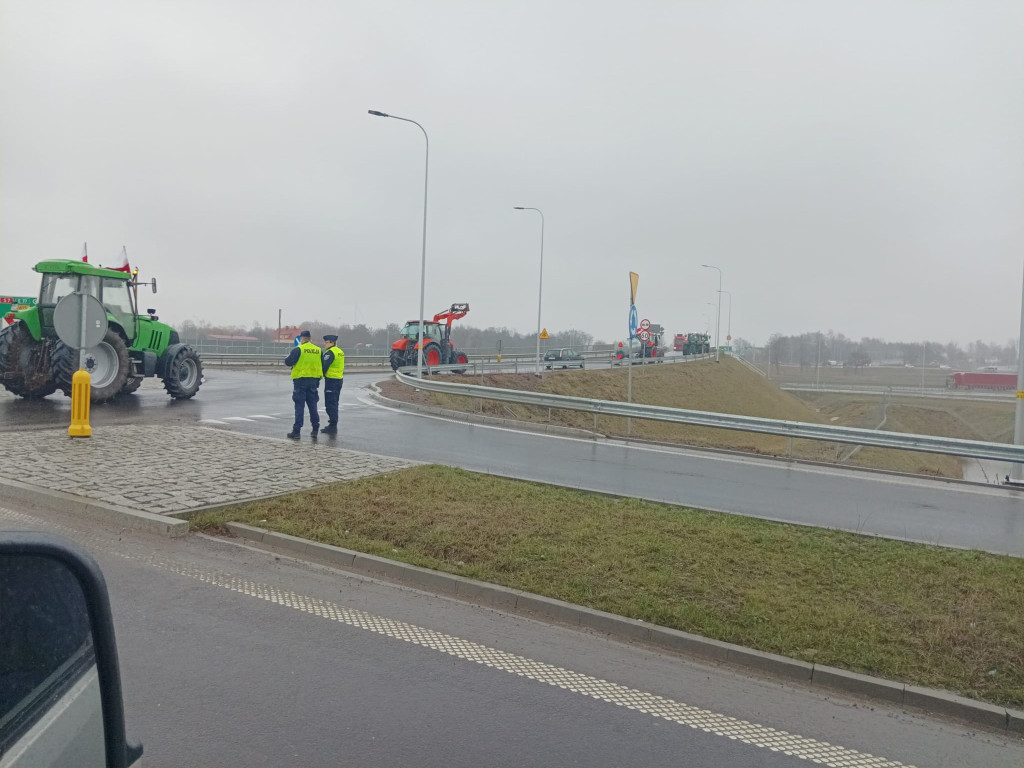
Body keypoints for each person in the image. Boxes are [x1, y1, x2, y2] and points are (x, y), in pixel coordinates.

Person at [284, 330, 322, 439]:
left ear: (301, 339)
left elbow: (288, 362)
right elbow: (321, 365)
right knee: (313, 406)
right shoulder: (318, 350)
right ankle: (315, 429)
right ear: (310, 338)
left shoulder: (299, 349)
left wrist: (287, 358)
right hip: (314, 381)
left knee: (299, 406)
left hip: (300, 381)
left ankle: (296, 431)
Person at [320, 334, 345, 434]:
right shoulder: (340, 351)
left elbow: (324, 366)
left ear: (332, 342)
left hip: (331, 381)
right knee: (335, 402)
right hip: (339, 379)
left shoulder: (330, 353)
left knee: (330, 404)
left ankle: (332, 426)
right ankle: (333, 424)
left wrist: (318, 376)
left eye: (326, 342)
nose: (325, 344)